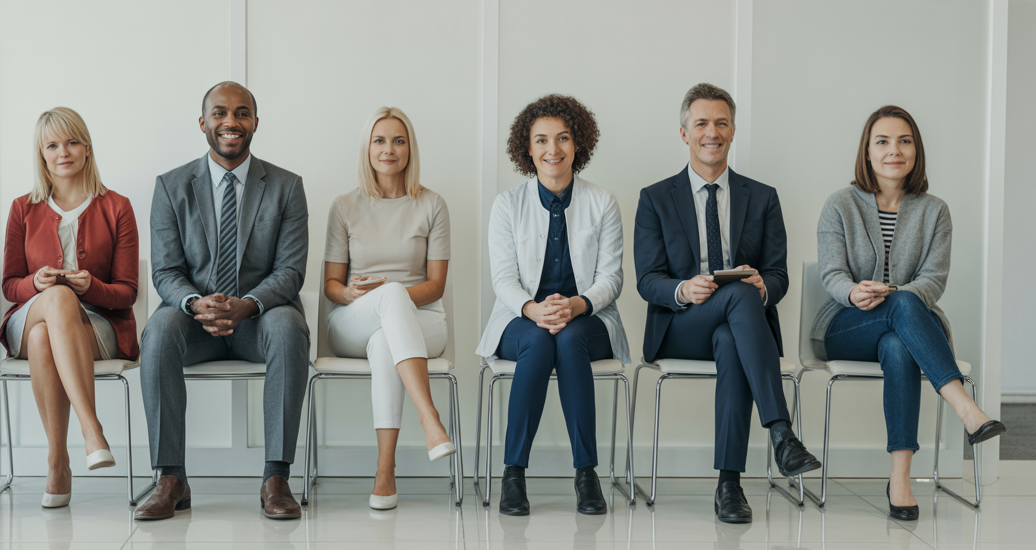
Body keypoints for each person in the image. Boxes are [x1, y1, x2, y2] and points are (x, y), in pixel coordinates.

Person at [634, 83, 820, 524]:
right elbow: (647, 280)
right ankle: (781, 432)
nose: (711, 132)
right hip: (681, 326)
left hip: (738, 329)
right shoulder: (656, 198)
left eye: (721, 123)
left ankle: (729, 486)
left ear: (733, 130)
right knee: (735, 299)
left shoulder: (763, 196)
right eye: (701, 123)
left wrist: (763, 288)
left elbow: (779, 275)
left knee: (734, 329)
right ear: (684, 133)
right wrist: (683, 290)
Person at [813, 105, 1004, 521]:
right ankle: (967, 410)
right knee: (899, 306)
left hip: (907, 328)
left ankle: (900, 478)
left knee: (899, 343)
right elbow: (831, 273)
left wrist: (895, 293)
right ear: (867, 151)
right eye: (882, 141)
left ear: (916, 151)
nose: (893, 151)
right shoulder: (839, 204)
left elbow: (933, 281)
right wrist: (854, 292)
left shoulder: (935, 210)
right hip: (848, 325)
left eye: (904, 141)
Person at [135, 81, 310, 521]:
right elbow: (165, 271)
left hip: (260, 321)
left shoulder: (287, 186)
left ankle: (276, 476)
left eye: (241, 113)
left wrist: (247, 305)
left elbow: (290, 271)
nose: (230, 122)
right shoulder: (171, 186)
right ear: (203, 123)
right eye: (219, 113)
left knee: (290, 328)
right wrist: (195, 304)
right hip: (197, 323)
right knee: (157, 331)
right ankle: (170, 476)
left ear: (254, 123)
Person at [476, 94, 632, 516]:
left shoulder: (602, 202)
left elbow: (612, 279)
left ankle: (586, 473)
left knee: (567, 341)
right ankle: (514, 473)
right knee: (542, 342)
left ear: (577, 143)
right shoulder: (507, 205)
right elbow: (503, 279)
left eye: (562, 138)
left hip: (588, 318)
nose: (553, 150)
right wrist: (533, 309)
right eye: (541, 140)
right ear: (527, 149)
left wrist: (578, 305)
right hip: (520, 318)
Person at [0, 107, 140, 509]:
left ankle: (57, 461)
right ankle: (91, 429)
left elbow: (127, 292)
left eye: (73, 141)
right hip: (28, 318)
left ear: (87, 149)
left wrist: (91, 286)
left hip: (96, 327)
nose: (64, 151)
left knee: (49, 333)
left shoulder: (117, 206)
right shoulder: (21, 208)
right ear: (41, 154)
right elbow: (10, 285)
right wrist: (36, 284)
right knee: (55, 301)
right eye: (53, 144)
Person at [323, 106, 455, 511]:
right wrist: (354, 295)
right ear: (367, 148)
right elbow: (331, 285)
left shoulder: (432, 204)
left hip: (421, 321)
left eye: (398, 140)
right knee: (387, 304)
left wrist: (392, 297)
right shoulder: (344, 206)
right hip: (352, 320)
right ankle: (429, 418)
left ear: (410, 149)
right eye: (380, 140)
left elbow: (435, 286)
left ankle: (385, 471)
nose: (389, 149)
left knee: (387, 338)